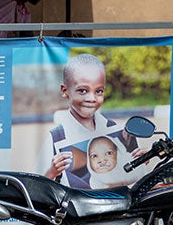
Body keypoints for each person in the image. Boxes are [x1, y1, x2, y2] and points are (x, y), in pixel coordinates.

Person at [35, 53, 139, 188]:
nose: (92, 98)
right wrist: (51, 172)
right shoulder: (55, 139)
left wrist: (140, 161)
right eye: (83, 91)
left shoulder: (114, 129)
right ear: (65, 90)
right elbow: (36, 188)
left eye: (99, 91)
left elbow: (131, 177)